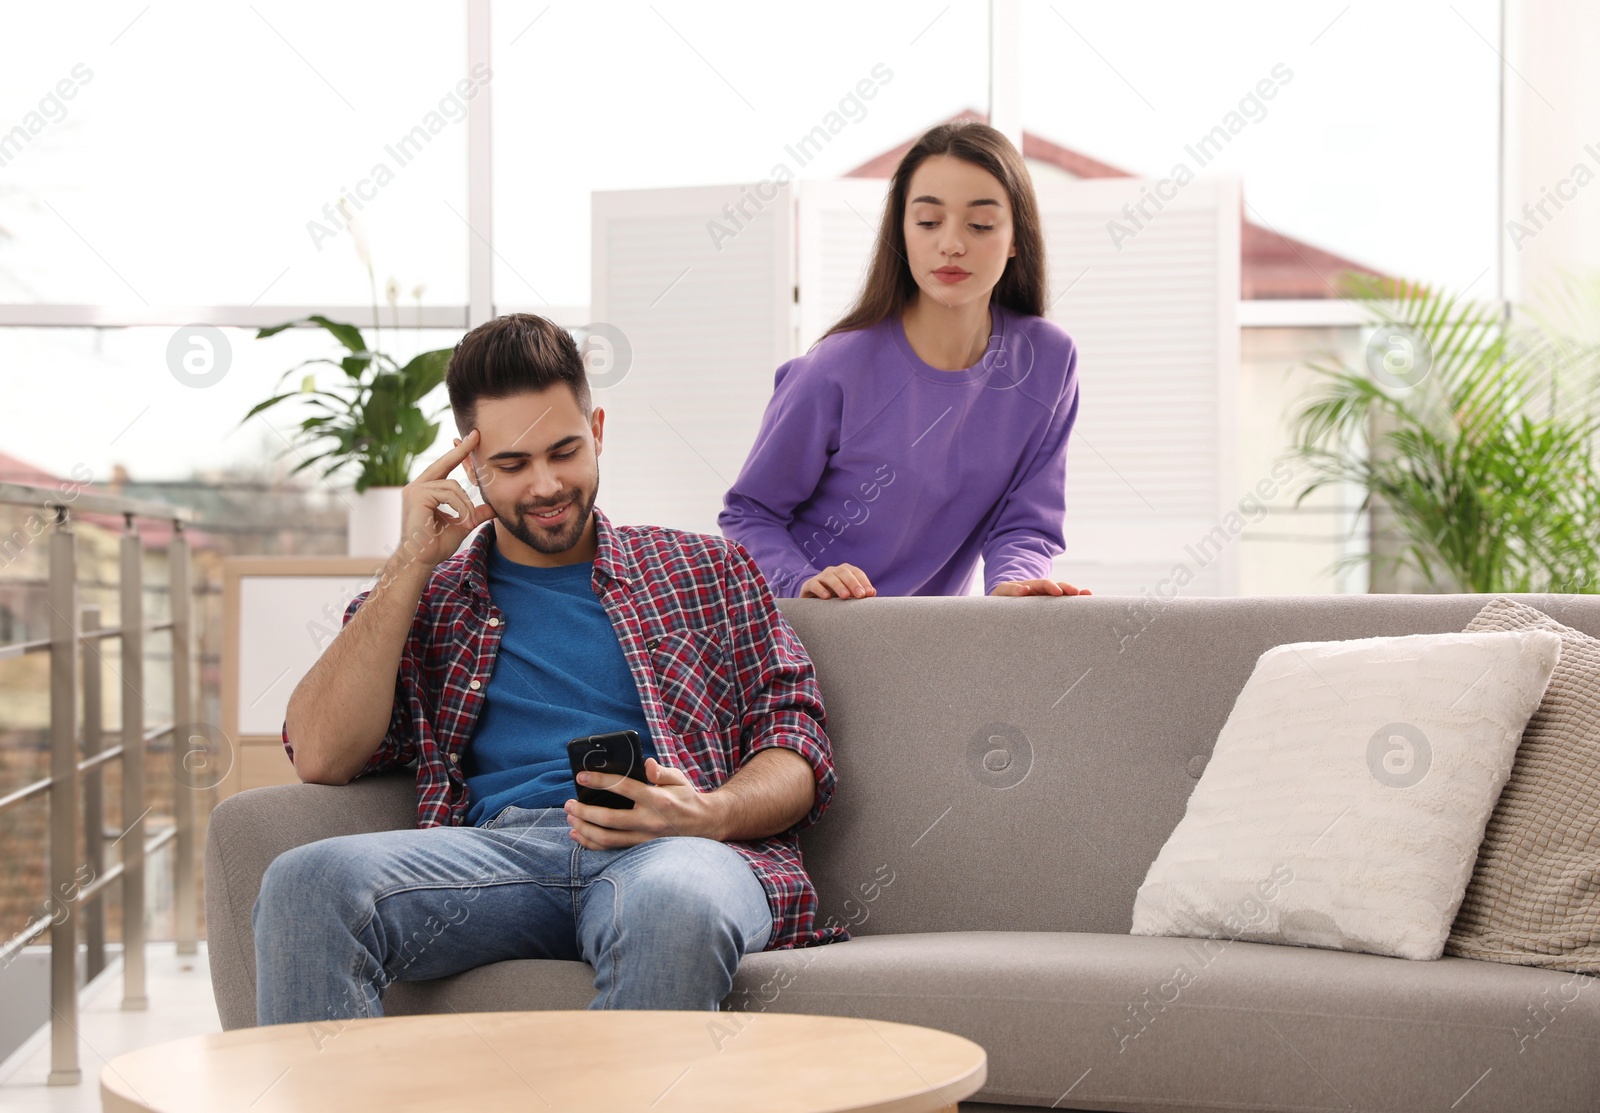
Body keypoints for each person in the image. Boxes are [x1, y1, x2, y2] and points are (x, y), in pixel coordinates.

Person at [253, 313, 842, 1024]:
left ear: (597, 430)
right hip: (495, 857)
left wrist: (707, 812)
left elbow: (796, 746)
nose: (546, 484)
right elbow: (318, 751)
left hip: (672, 850)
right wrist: (410, 563)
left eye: (564, 450)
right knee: (304, 883)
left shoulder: (706, 570)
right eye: (512, 464)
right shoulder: (433, 601)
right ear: (471, 468)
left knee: (672, 905)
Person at [720, 121, 1091, 602]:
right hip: (814, 631)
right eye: (928, 222)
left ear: (1017, 237)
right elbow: (749, 514)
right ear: (902, 233)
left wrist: (1014, 586)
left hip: (929, 643)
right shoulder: (834, 369)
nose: (952, 244)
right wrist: (800, 580)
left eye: (980, 225)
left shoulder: (1049, 361)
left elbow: (1026, 523)